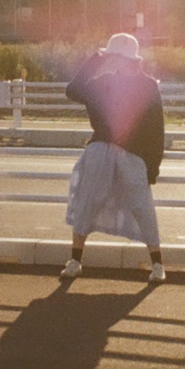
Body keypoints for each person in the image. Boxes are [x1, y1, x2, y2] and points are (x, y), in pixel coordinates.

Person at [62, 32, 166, 282]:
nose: (111, 60)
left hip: (132, 154)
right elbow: (73, 90)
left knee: (142, 207)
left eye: (114, 56)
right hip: (102, 150)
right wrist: (94, 61)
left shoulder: (148, 86)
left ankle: (158, 264)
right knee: (87, 202)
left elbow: (156, 130)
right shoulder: (105, 81)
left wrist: (153, 167)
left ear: (124, 59)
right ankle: (75, 260)